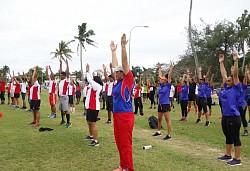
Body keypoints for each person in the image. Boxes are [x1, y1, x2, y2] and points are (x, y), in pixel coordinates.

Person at [111, 35, 135, 171]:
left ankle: (128, 168)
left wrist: (123, 46)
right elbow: (116, 65)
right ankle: (122, 164)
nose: (116, 73)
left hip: (126, 116)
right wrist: (113, 51)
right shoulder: (117, 82)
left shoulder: (128, 80)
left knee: (126, 143)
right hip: (117, 115)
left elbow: (124, 64)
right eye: (116, 72)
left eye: (118, 72)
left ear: (123, 73)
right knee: (119, 142)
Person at [217, 52, 242, 166]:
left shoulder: (236, 88)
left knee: (235, 137)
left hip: (234, 116)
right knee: (227, 136)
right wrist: (221, 63)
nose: (227, 81)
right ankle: (228, 155)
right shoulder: (226, 88)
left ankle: (237, 159)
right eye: (227, 81)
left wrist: (236, 61)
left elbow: (235, 75)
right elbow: (224, 74)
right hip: (225, 116)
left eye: (229, 80)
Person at [83, 63, 103, 146]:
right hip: (90, 107)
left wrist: (87, 71)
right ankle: (91, 136)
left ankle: (95, 141)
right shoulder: (93, 86)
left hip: (93, 107)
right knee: (89, 122)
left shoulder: (97, 86)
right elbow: (90, 80)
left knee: (93, 123)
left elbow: (90, 79)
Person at [153, 62, 173, 141]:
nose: (161, 80)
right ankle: (158, 131)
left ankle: (169, 135)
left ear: (166, 80)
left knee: (167, 120)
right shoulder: (161, 85)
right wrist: (159, 68)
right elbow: (160, 76)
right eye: (161, 79)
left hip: (166, 104)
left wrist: (171, 67)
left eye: (163, 79)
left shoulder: (168, 85)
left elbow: (170, 75)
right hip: (160, 104)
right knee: (159, 119)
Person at [58, 59, 71, 128]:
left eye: (61, 75)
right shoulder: (61, 81)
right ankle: (63, 120)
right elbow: (60, 71)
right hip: (61, 97)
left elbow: (67, 73)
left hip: (65, 97)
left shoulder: (66, 80)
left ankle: (69, 122)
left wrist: (67, 64)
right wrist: (60, 64)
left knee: (66, 110)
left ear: (64, 76)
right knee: (61, 109)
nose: (60, 76)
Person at [238, 66, 248, 136]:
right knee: (238, 118)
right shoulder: (236, 86)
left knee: (242, 117)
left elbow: (245, 79)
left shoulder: (243, 86)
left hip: (242, 104)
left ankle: (246, 131)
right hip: (237, 104)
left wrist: (246, 73)